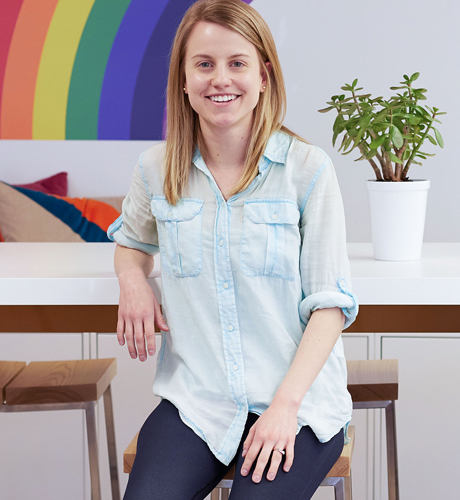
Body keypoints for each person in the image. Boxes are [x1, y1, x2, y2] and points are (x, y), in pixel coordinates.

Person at [108, 0, 357, 498]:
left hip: (297, 405)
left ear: (264, 76)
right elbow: (132, 244)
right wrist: (132, 280)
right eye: (204, 64)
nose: (220, 78)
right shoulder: (155, 170)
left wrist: (283, 409)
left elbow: (330, 305)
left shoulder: (307, 170)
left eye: (237, 63)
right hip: (198, 402)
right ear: (183, 80)